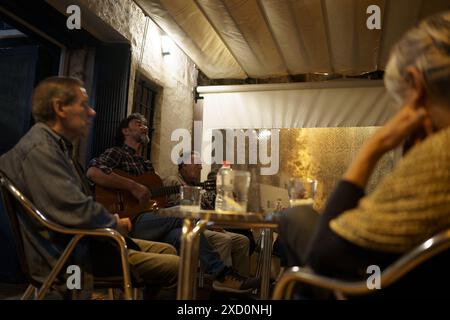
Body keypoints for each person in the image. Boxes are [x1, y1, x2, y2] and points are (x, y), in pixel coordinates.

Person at [278, 11, 450, 298]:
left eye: (400, 101)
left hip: (374, 284)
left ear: (416, 84)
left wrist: (373, 148)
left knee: (295, 218)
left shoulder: (440, 155)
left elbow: (325, 254)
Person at [0, 77, 179, 299]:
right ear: (59, 107)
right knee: (178, 266)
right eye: (83, 104)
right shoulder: (41, 151)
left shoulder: (54, 147)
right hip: (73, 256)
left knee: (169, 250)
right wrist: (115, 222)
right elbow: (73, 210)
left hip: (83, 244)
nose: (92, 112)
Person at [86, 114, 259, 293]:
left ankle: (208, 286)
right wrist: (132, 186)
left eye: (145, 123)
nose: (144, 126)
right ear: (125, 131)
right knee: (184, 212)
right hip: (127, 220)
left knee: (183, 234)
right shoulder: (117, 153)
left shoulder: (145, 165)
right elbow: (93, 172)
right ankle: (222, 275)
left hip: (148, 220)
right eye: (138, 124)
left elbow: (152, 200)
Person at [164, 151, 252, 276]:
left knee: (243, 240)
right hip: (187, 227)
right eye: (197, 164)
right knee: (224, 240)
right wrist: (208, 224)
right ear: (184, 165)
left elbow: (207, 209)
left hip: (204, 225)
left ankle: (240, 282)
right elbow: (176, 210)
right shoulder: (173, 181)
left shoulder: (196, 185)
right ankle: (220, 284)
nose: (200, 167)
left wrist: (214, 222)